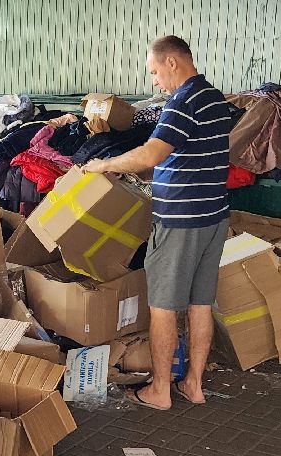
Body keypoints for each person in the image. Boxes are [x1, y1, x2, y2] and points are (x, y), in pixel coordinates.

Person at [83, 35, 233, 408]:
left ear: (172, 62)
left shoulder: (182, 102)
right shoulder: (214, 97)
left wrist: (104, 165)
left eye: (154, 71)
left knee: (164, 307)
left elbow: (152, 153)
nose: (153, 81)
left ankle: (160, 390)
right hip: (213, 216)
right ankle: (194, 384)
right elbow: (189, 155)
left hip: (180, 220)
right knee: (200, 304)